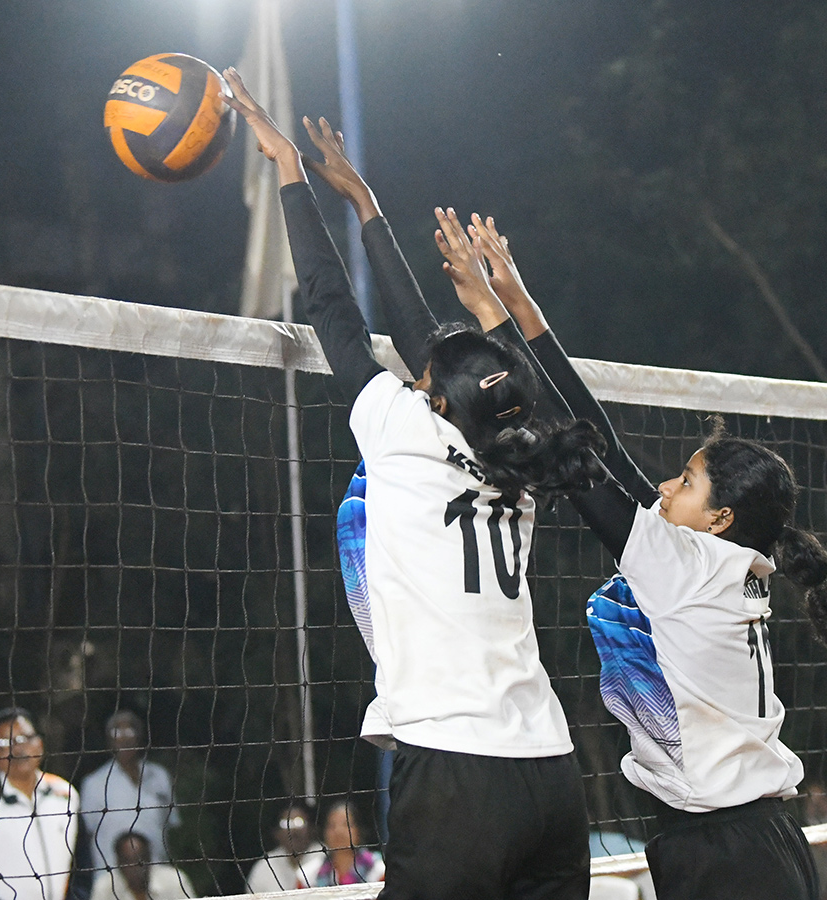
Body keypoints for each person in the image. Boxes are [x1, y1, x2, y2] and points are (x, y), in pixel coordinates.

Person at [221, 70, 605, 900]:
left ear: (431, 393)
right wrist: (364, 203)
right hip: (549, 771)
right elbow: (414, 333)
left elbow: (334, 306)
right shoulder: (526, 459)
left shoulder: (399, 432)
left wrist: (287, 168)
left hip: (461, 775)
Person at [458, 211, 827, 899]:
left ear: (719, 518)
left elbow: (576, 454)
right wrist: (517, 303)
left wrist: (487, 322)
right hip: (742, 843)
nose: (663, 486)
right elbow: (609, 449)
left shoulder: (687, 567)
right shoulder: (727, 565)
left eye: (685, 482)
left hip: (733, 856)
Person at [0, 707, 91, 900]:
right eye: (6, 742)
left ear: (40, 745)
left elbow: (83, 862)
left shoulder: (65, 795)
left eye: (25, 738)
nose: (18, 748)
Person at [79, 711, 178, 873]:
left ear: (140, 737)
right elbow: (87, 834)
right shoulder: (94, 783)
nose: (124, 739)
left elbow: (171, 825)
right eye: (117, 733)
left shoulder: (159, 776)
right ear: (109, 741)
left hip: (157, 874)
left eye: (130, 732)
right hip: (111, 876)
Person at [244, 802, 325, 893]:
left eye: (299, 823)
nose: (294, 831)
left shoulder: (326, 857)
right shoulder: (266, 864)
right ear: (276, 833)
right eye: (287, 824)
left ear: (312, 828)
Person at [88, 833, 188, 900]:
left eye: (140, 861)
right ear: (118, 863)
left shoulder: (175, 880)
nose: (134, 868)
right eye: (127, 861)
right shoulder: (105, 888)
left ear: (149, 859)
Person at [312, 801, 384, 888]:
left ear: (359, 830)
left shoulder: (379, 871)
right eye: (332, 825)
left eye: (346, 824)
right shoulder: (309, 876)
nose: (338, 831)